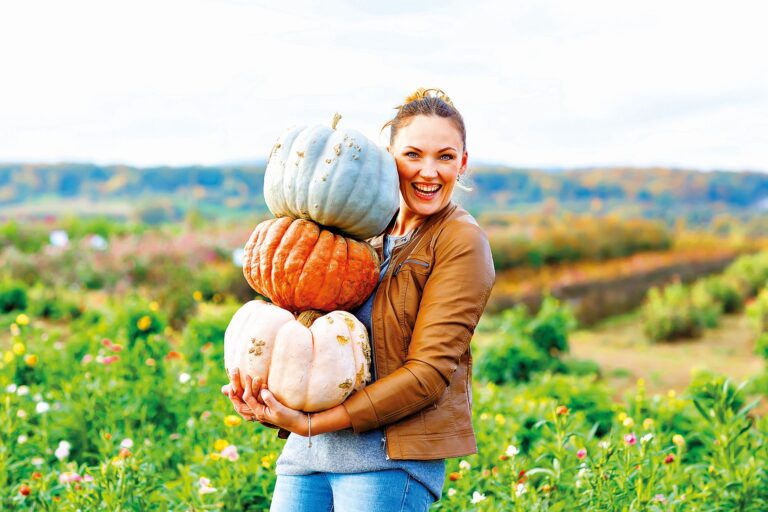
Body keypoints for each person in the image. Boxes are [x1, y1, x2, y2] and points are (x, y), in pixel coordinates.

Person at [223, 88, 495, 511]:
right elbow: (302, 340)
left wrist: (313, 422)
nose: (428, 171)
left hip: (387, 464)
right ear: (389, 158)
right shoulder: (356, 231)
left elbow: (429, 373)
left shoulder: (461, 241)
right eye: (412, 155)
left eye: (444, 156)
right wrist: (266, 396)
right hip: (307, 456)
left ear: (462, 162)